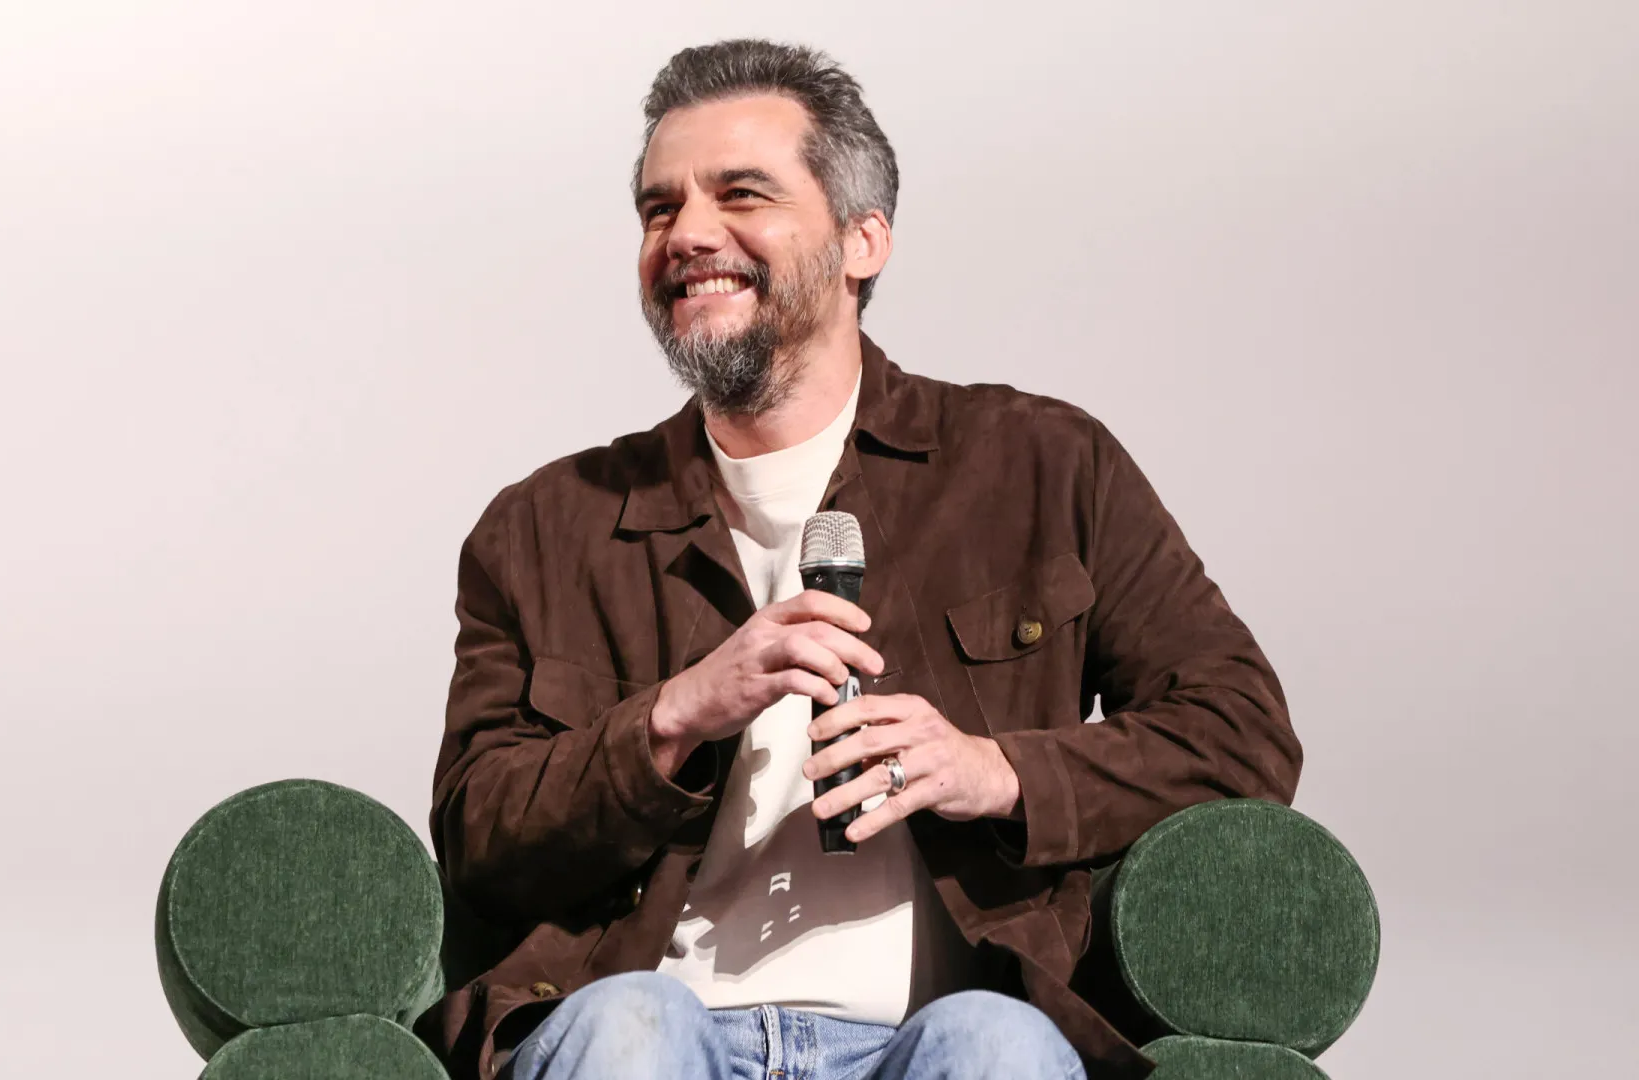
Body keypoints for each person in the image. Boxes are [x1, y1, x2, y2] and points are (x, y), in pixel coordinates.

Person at [423, 39, 1301, 1080]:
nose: (687, 234)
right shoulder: (542, 528)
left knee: (995, 1044)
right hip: (663, 1028)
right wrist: (672, 719)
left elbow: (1242, 736)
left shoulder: (1045, 466)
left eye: (740, 193)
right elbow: (476, 841)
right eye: (660, 209)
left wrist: (997, 771)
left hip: (932, 1033)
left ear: (862, 240)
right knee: (627, 1027)